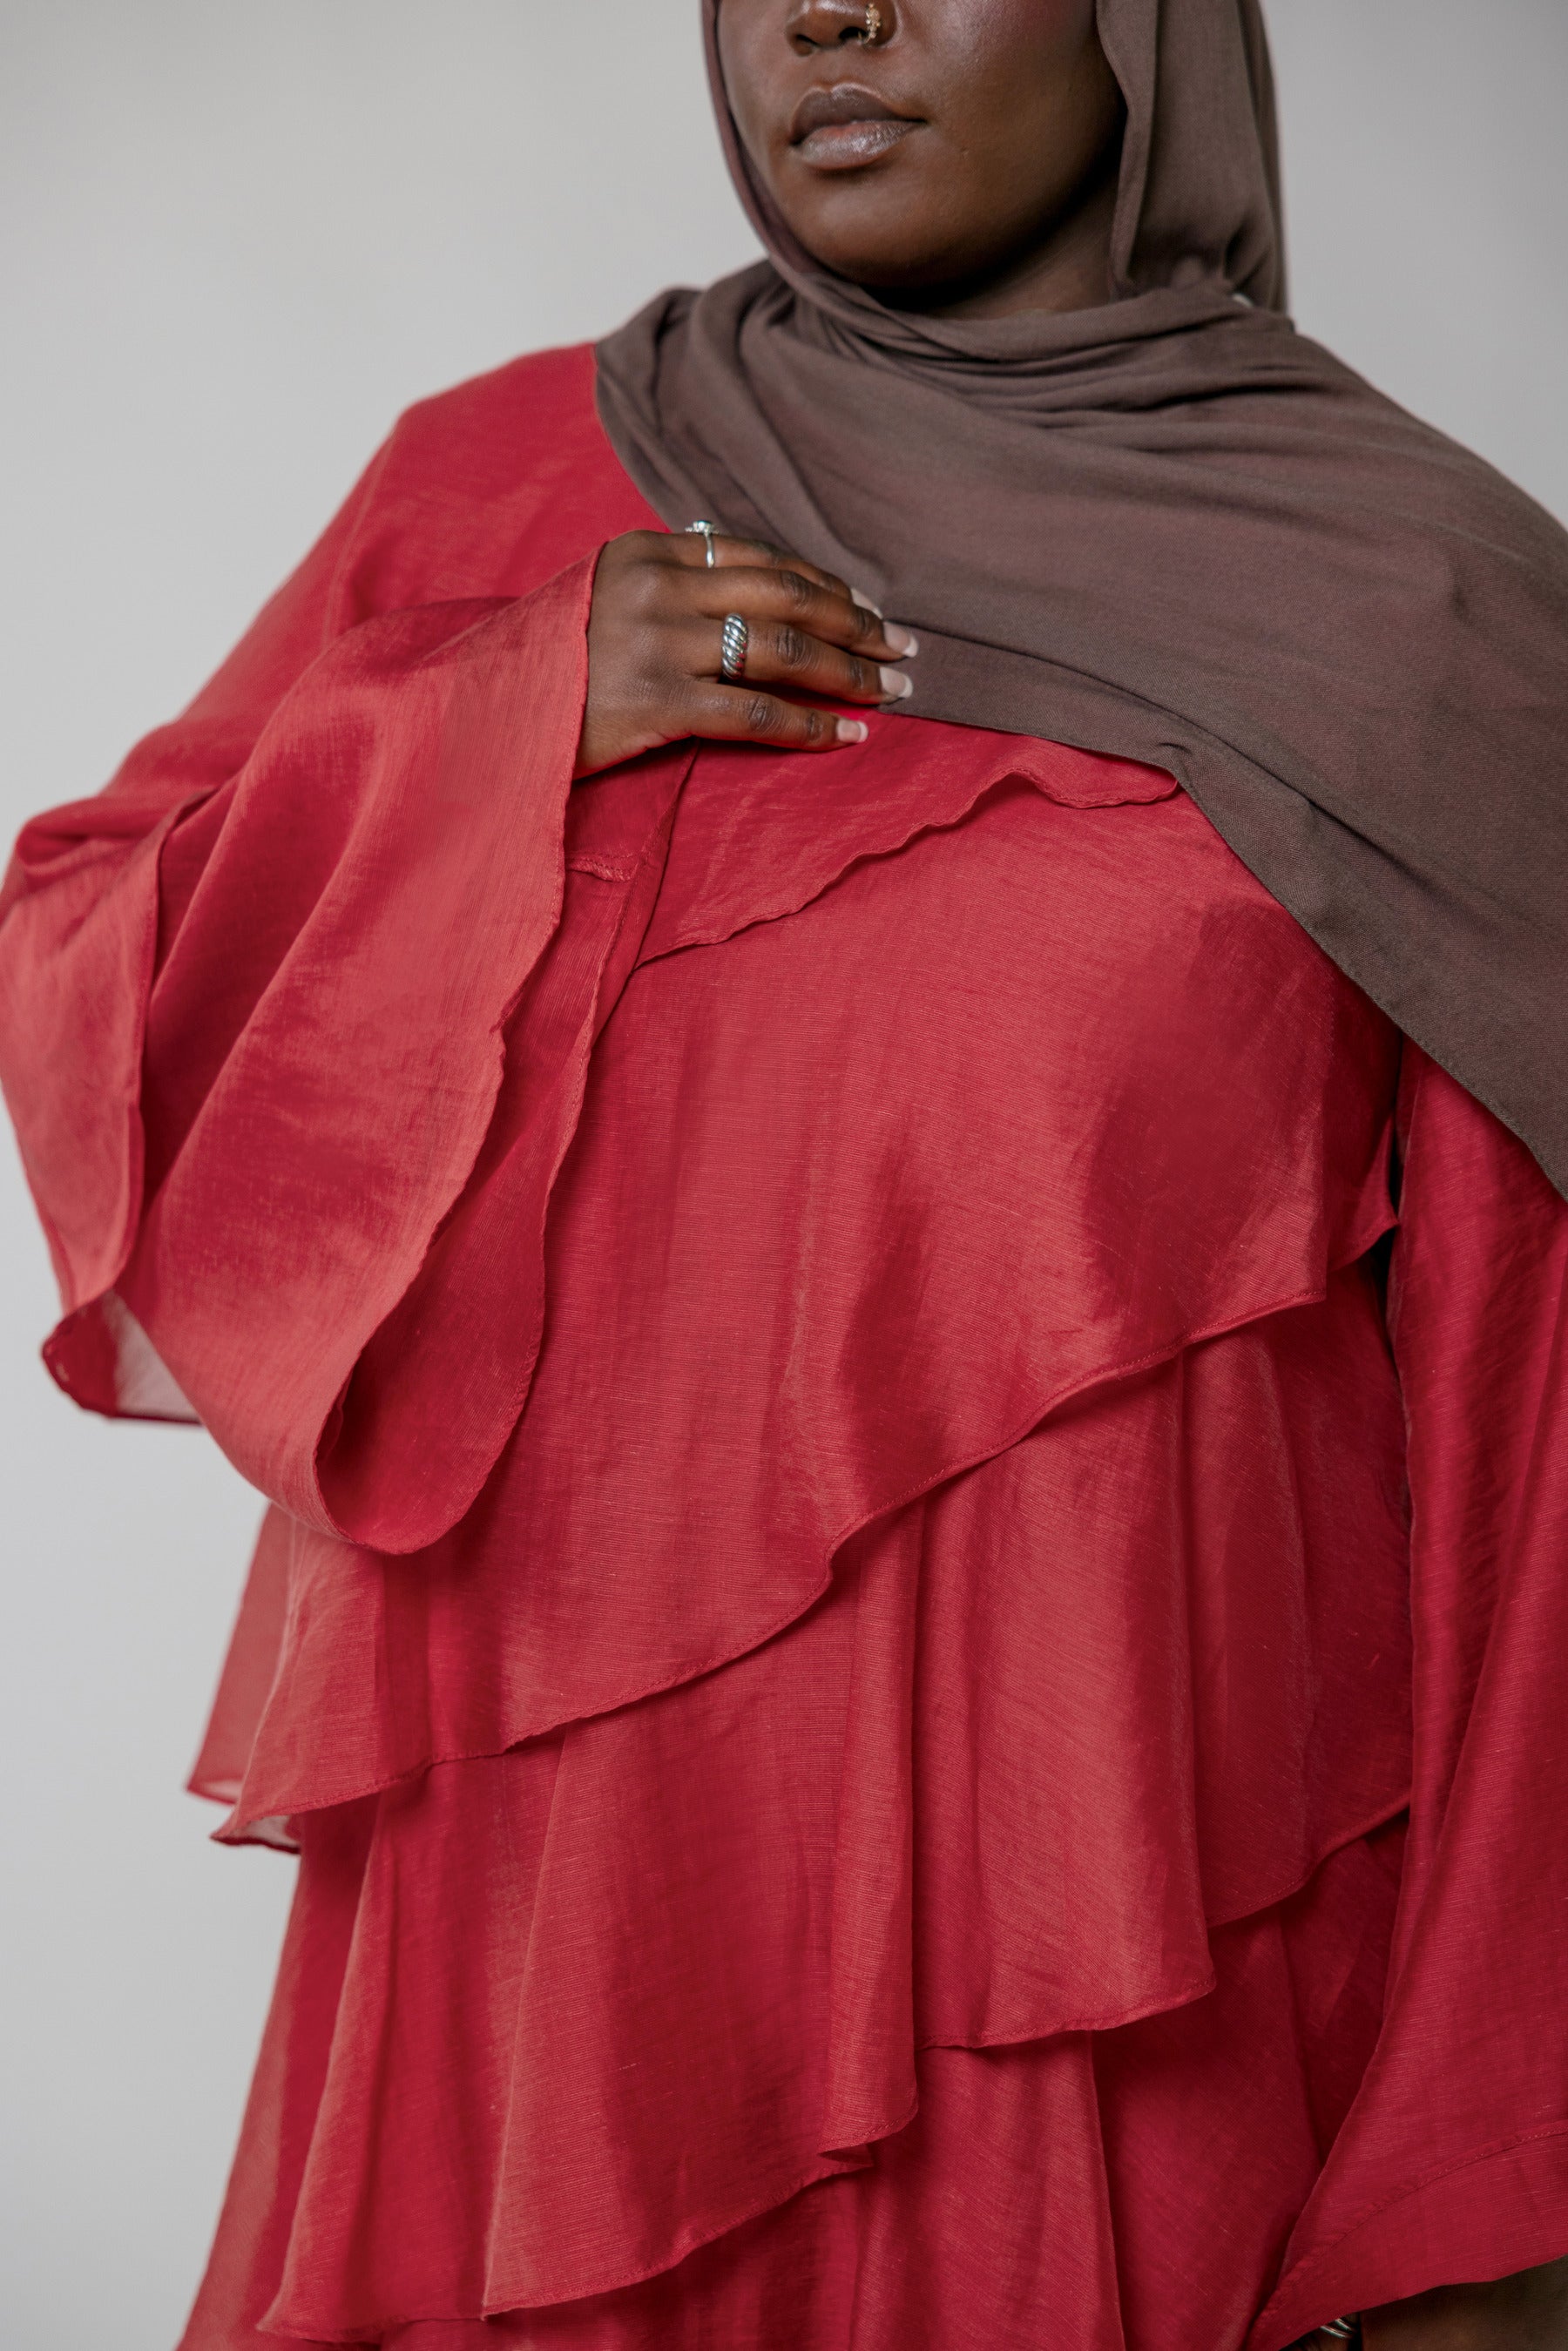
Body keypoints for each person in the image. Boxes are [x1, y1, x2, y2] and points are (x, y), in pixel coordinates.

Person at [2, 2, 1565, 2346]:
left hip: (1130, 2010)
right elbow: (85, 970)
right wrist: (484, 716)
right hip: (556, 1987)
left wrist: (1487, 2182)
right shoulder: (518, 478)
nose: (825, 15)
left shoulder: (1423, 616)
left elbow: (1537, 1449)